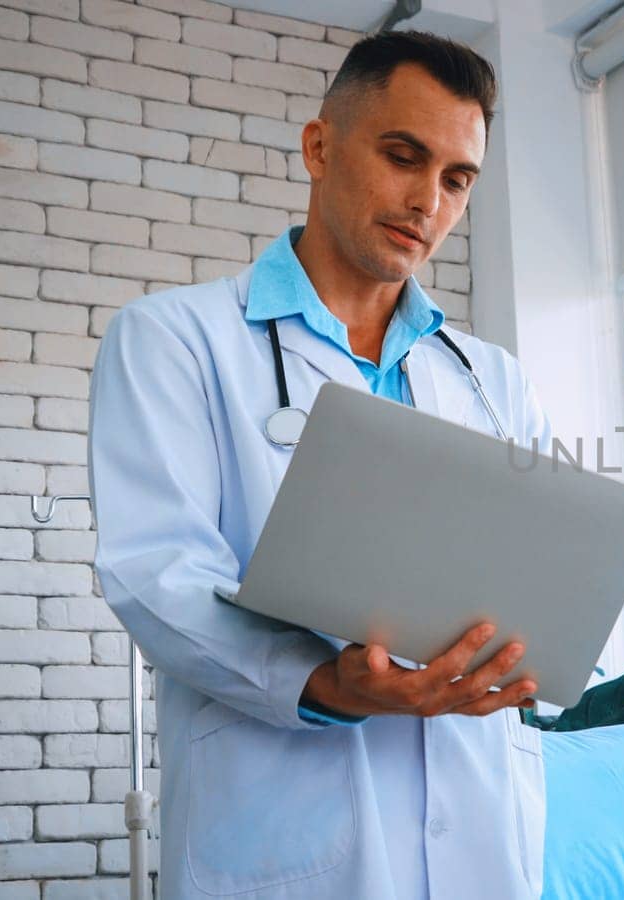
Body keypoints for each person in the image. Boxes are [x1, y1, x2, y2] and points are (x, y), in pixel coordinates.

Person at [88, 31, 553, 899]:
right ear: (319, 146)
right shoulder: (175, 341)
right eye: (402, 156)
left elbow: (531, 587)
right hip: (281, 829)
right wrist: (319, 682)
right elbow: (156, 572)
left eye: (457, 179)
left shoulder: (492, 382)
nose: (427, 202)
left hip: (483, 839)